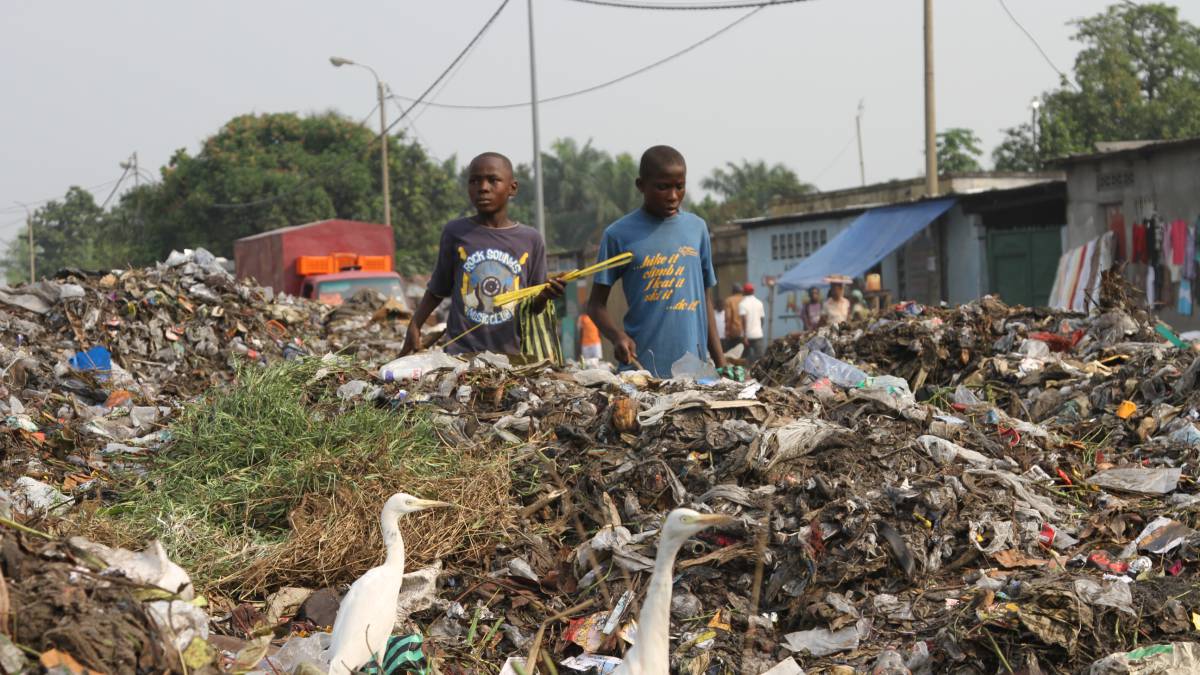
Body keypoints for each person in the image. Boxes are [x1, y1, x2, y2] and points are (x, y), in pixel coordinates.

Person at [587, 145, 730, 379]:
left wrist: (721, 364)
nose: (673, 196)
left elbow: (705, 300)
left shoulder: (697, 229)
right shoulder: (618, 235)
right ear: (641, 185)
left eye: (679, 186)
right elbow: (595, 305)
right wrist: (617, 336)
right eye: (662, 187)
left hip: (695, 374)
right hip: (643, 371)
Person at [401, 152, 562, 356]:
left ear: (513, 188)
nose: (483, 188)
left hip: (511, 357)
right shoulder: (455, 232)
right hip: (461, 354)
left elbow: (532, 309)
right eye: (474, 181)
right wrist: (415, 325)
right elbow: (437, 289)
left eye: (493, 180)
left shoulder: (531, 239)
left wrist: (546, 296)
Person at [738, 282, 766, 361]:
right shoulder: (759, 303)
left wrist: (745, 336)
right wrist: (758, 329)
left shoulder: (742, 304)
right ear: (753, 291)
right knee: (760, 357)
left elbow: (744, 320)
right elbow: (762, 319)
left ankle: (747, 370)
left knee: (744, 358)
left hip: (746, 337)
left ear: (744, 292)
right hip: (758, 335)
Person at [722, 283, 744, 352]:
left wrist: (727, 331)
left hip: (734, 331)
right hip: (745, 332)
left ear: (733, 291)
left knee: (732, 354)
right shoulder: (745, 299)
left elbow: (728, 317)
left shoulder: (729, 300)